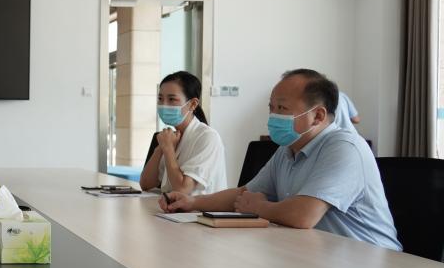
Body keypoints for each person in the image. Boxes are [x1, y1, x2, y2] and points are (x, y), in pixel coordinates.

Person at [160, 69, 400, 250]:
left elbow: (303, 215)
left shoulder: (345, 147)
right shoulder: (288, 149)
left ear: (317, 116)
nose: (273, 116)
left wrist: (259, 208)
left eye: (282, 108)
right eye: (271, 107)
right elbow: (244, 194)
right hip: (317, 254)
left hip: (370, 261)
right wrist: (192, 203)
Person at [139, 71, 227, 195]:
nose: (164, 105)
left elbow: (182, 190)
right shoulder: (173, 137)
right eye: (160, 99)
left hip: (200, 207)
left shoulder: (208, 137)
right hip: (171, 206)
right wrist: (159, 150)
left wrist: (168, 149)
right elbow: (145, 184)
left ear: (193, 104)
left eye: (171, 99)